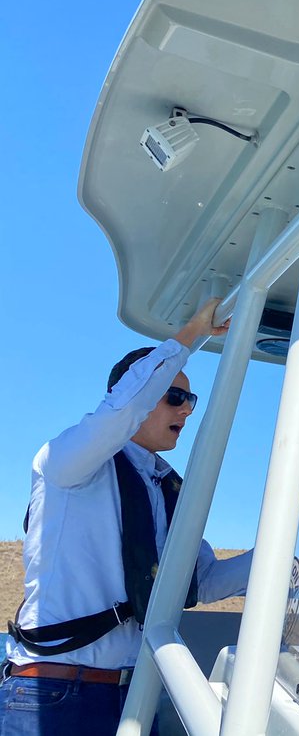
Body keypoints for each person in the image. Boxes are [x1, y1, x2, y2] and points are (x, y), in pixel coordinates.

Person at [0, 297, 253, 736]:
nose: (187, 409)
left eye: (190, 399)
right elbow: (120, 412)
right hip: (52, 695)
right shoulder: (68, 465)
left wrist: (286, 554)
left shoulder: (169, 489)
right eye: (175, 397)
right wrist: (190, 335)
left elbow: (202, 581)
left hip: (134, 697)